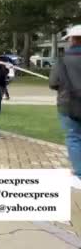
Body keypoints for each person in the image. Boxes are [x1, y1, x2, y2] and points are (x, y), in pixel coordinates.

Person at [49, 25, 81, 186]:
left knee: (74, 137)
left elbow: (53, 83)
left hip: (68, 105)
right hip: (71, 102)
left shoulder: (62, 60)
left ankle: (79, 176)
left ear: (72, 40)